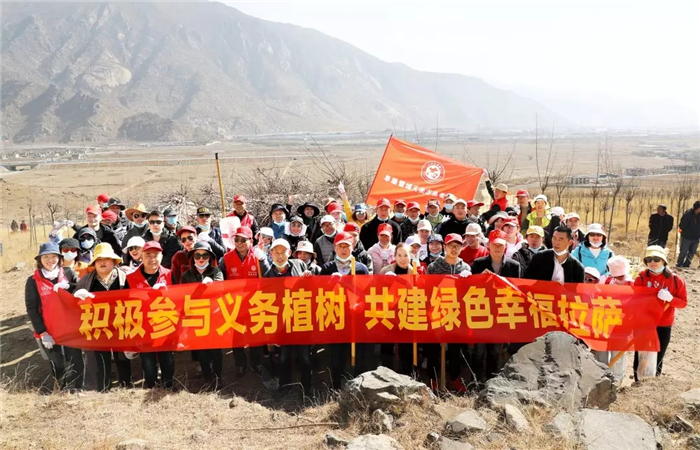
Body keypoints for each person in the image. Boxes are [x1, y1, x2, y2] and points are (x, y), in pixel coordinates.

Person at [259, 239, 314, 398]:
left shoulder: (299, 265)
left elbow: (312, 289)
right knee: (283, 357)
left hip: (301, 319)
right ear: (271, 254)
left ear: (289, 253)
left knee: (305, 357)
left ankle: (307, 387)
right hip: (282, 323)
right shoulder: (268, 276)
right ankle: (285, 386)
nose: (280, 256)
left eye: (283, 252)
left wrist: (309, 277)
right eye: (276, 252)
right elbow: (266, 303)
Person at [25, 242, 83, 391]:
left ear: (59, 258)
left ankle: (78, 388)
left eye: (53, 256)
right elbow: (32, 308)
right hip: (49, 329)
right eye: (46, 257)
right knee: (57, 362)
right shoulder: (33, 281)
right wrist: (43, 332)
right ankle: (61, 389)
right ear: (40, 259)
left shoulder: (68, 273)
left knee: (75, 358)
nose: (50, 260)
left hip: (71, 327)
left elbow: (81, 290)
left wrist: (69, 286)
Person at [74, 243, 132, 391]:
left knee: (122, 358)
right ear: (94, 263)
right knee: (100, 358)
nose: (103, 262)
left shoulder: (125, 278)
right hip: (98, 326)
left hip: (121, 324)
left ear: (114, 261)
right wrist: (78, 298)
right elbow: (74, 305)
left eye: (106, 259)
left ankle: (125, 386)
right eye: (99, 260)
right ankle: (103, 388)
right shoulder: (85, 281)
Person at [319, 231, 370, 389]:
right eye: (340, 246)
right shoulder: (327, 268)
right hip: (335, 318)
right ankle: (336, 386)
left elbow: (367, 293)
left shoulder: (361, 269)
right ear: (334, 248)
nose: (343, 250)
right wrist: (329, 283)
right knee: (336, 355)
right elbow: (319, 294)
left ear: (352, 247)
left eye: (346, 246)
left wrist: (360, 305)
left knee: (358, 354)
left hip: (356, 319)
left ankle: (358, 387)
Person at [470, 230, 521, 384]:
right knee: (478, 352)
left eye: (501, 245)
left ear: (505, 247)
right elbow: (470, 288)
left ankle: (491, 383)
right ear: (489, 245)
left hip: (501, 313)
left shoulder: (513, 266)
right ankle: (474, 382)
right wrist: (480, 279)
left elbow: (517, 290)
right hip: (482, 312)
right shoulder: (478, 264)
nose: (498, 248)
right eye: (495, 245)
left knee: (495, 351)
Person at [125, 241, 176, 389]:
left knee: (167, 358)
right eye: (148, 255)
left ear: (162, 256)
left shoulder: (169, 274)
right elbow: (126, 302)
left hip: (165, 323)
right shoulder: (131, 278)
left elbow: (179, 298)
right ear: (141, 256)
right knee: (147, 359)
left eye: (156, 255)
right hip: (143, 325)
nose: (152, 259)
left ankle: (168, 384)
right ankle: (151, 385)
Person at [633, 245, 687, 381]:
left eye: (656, 259)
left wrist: (671, 299)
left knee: (658, 355)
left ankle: (653, 384)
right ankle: (637, 382)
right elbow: (634, 299)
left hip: (664, 323)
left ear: (663, 260)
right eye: (649, 259)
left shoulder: (676, 280)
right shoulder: (641, 277)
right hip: (644, 322)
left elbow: (683, 302)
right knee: (640, 355)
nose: (653, 262)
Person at [427, 233, 472, 391]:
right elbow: (427, 289)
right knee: (433, 347)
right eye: (451, 246)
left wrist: (469, 279)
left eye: (457, 246)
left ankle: (455, 378)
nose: (454, 249)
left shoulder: (465, 267)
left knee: (455, 347)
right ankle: (433, 378)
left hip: (456, 312)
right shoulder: (434, 267)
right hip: (436, 310)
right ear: (444, 247)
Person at [218, 226, 264, 379]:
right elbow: (219, 276)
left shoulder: (257, 256)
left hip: (254, 302)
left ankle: (256, 363)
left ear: (250, 241)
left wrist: (263, 260)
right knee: (236, 335)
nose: (239, 243)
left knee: (255, 333)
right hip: (235, 303)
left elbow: (267, 275)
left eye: (243, 240)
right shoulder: (226, 258)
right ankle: (240, 364)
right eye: (236, 239)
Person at [179, 242, 224, 386]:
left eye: (205, 255)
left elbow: (220, 290)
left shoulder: (216, 272)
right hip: (196, 316)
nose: (201, 258)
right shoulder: (186, 275)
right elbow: (183, 295)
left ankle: (217, 377)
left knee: (216, 349)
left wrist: (212, 284)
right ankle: (207, 377)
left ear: (210, 257)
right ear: (193, 257)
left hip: (214, 316)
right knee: (202, 350)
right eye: (197, 255)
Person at [380, 243, 422, 374]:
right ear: (394, 256)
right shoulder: (385, 271)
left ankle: (407, 374)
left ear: (411, 256)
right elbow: (375, 292)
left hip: (407, 314)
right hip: (389, 313)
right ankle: (385, 373)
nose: (402, 259)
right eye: (399, 255)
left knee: (407, 347)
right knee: (387, 346)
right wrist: (385, 282)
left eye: (405, 255)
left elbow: (421, 293)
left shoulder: (415, 272)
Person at [676, 201, 700, 268]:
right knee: (683, 252)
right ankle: (679, 264)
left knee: (692, 252)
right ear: (698, 208)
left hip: (696, 238)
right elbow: (682, 225)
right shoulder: (688, 214)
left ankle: (686, 265)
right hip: (686, 237)